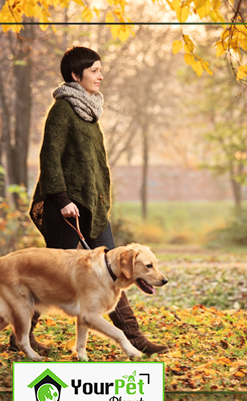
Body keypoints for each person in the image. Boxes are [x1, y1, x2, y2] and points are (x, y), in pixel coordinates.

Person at [18, 46, 168, 356]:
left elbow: (92, 166)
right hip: (67, 209)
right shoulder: (62, 110)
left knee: (116, 267)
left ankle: (134, 336)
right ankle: (21, 336)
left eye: (101, 70)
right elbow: (50, 158)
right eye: (94, 70)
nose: (101, 75)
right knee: (50, 274)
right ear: (76, 75)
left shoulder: (89, 111)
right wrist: (61, 199)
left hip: (92, 207)